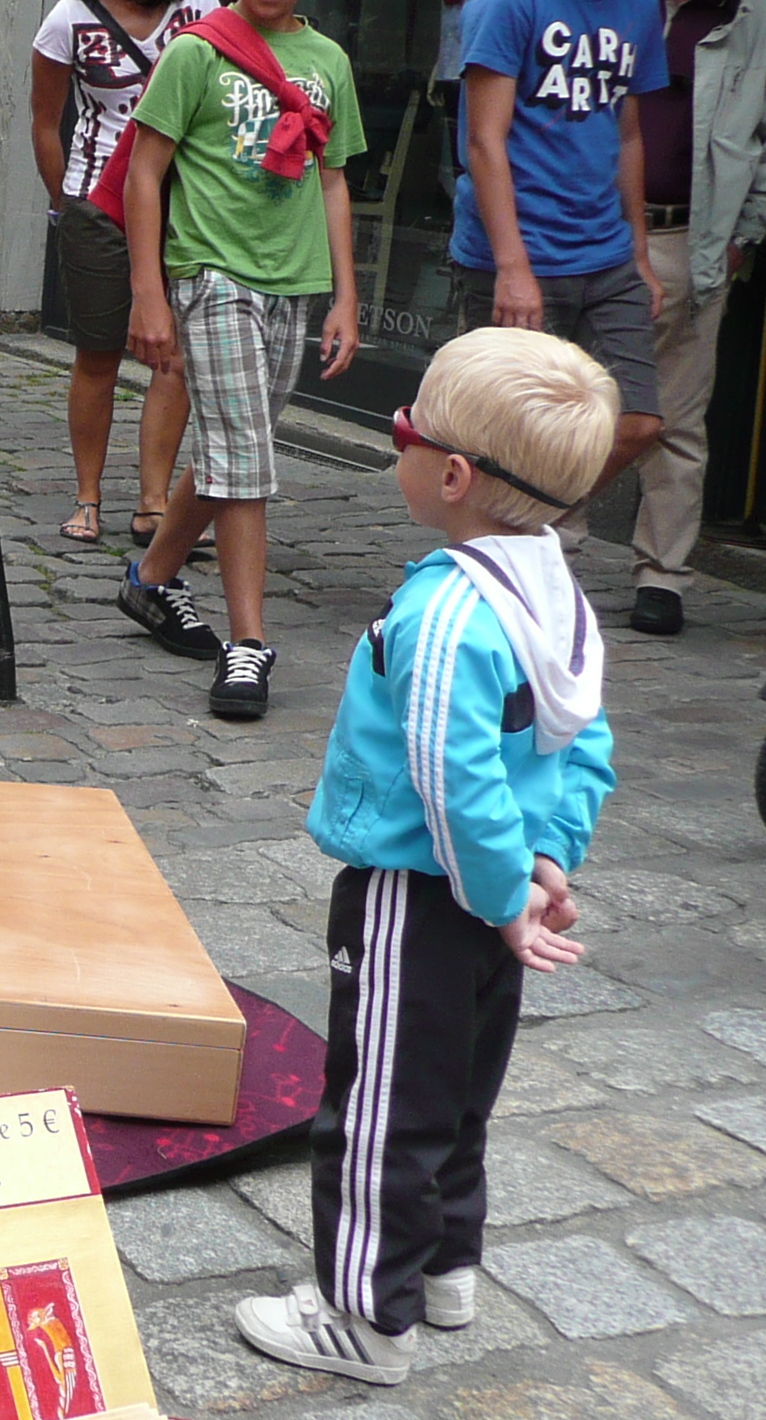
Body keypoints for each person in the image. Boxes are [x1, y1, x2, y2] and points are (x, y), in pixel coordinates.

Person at [233, 328, 618, 1386]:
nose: (392, 441)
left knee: (375, 1100)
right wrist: (544, 859)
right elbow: (583, 740)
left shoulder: (447, 608)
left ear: (450, 474)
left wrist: (497, 890)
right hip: (494, 895)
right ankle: (443, 1261)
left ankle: (362, 1313)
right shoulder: (551, 589)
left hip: (419, 889)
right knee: (452, 1086)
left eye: (399, 429)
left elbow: (448, 775)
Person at [117, 0, 364, 720]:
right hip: (211, 275)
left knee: (233, 448)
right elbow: (144, 174)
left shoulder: (329, 62)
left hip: (296, 282)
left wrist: (346, 295)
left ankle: (152, 579)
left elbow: (334, 181)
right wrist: (149, 292)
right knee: (245, 456)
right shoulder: (197, 53)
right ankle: (249, 643)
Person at [451, 0, 668, 529]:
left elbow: (628, 135)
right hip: (519, 253)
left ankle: (522, 529)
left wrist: (641, 255)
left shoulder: (638, 4)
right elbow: (483, 139)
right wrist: (512, 268)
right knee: (502, 438)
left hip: (606, 254)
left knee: (638, 421)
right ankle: (486, 555)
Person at [30, 0, 218, 546]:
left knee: (175, 354)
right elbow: (45, 121)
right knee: (98, 353)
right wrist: (67, 203)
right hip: (99, 204)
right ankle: (88, 496)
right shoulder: (69, 18)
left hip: (186, 202)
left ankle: (155, 502)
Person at [611, 0, 766, 635]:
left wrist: (743, 234)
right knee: (572, 402)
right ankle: (550, 549)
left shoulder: (757, 10)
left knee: (676, 416)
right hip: (598, 233)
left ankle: (662, 576)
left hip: (691, 238)